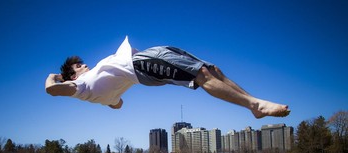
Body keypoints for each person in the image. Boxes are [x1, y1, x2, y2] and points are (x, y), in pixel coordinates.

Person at [45, 36, 290, 118]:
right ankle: (254, 105)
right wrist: (53, 76)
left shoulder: (96, 92)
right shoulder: (78, 86)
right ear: (71, 74)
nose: (84, 64)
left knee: (210, 69)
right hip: (142, 65)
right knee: (202, 75)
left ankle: (253, 102)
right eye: (79, 65)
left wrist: (109, 96)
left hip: (147, 59)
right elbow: (51, 91)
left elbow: (117, 105)